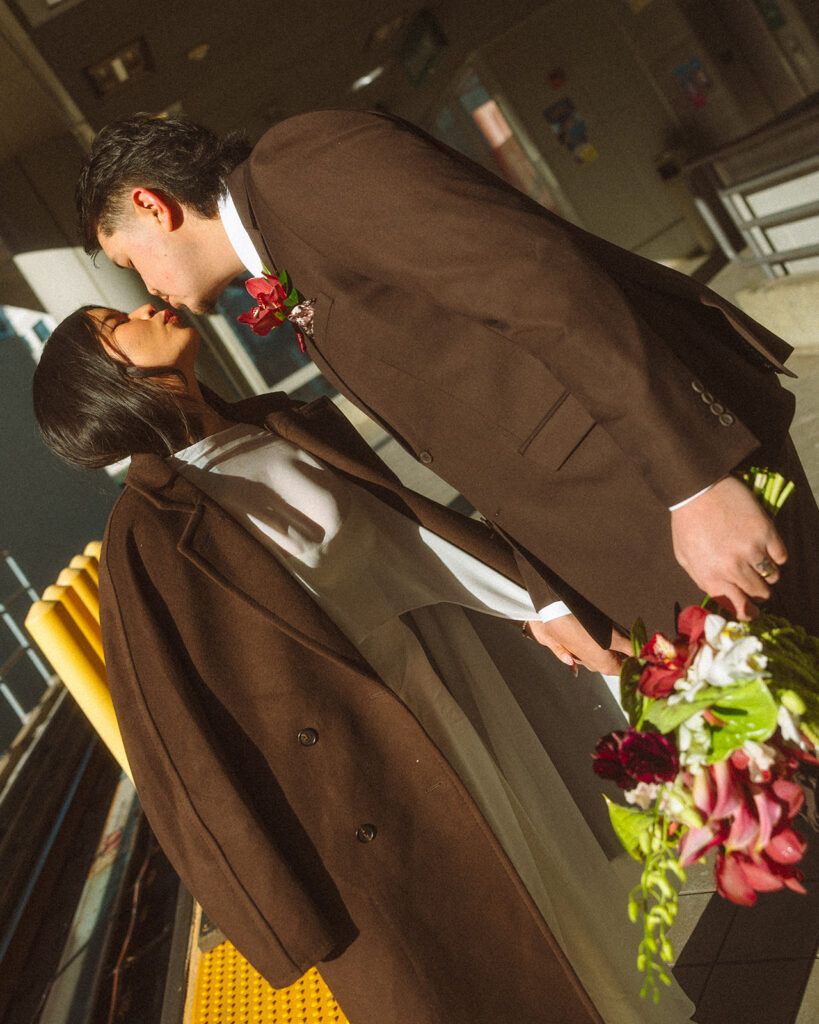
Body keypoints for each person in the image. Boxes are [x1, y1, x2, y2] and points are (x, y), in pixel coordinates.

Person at [33, 304, 701, 1023]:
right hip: (350, 794)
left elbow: (412, 541)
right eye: (115, 323)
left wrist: (543, 607)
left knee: (545, 907)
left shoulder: (283, 423)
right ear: (111, 382)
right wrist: (276, 916)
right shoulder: (146, 537)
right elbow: (173, 750)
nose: (144, 306)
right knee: (486, 969)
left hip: (429, 691)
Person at [75, 111, 819, 675]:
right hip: (619, 525)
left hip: (664, 486)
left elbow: (541, 284)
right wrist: (553, 593)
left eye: (127, 260)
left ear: (151, 204)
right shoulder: (279, 243)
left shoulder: (300, 167)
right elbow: (472, 434)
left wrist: (694, 484)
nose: (145, 286)